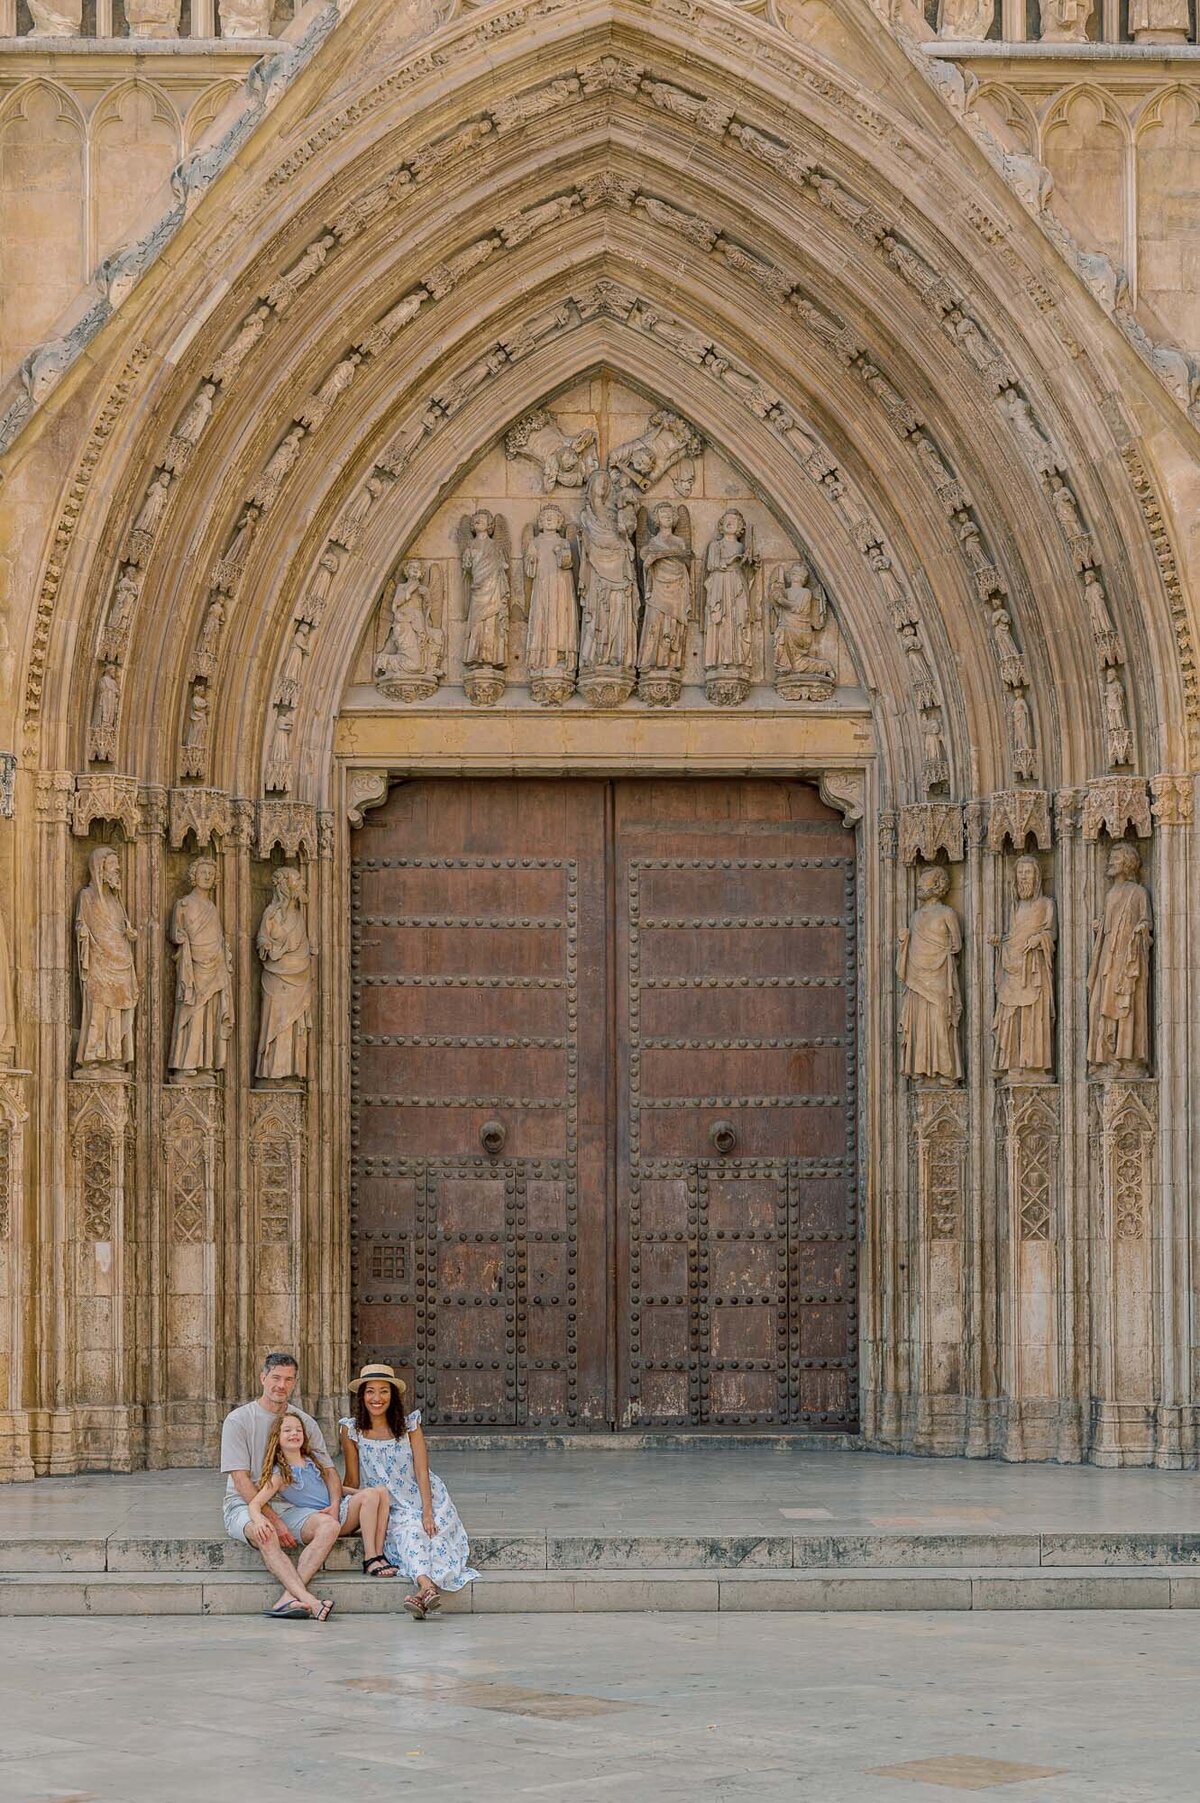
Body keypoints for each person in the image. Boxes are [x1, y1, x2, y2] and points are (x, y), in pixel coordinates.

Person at [220, 1352, 395, 1621]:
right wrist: (274, 1519)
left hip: (297, 1507)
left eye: (288, 1379)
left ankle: (289, 1598)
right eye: (276, 1377)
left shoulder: (302, 1422)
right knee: (264, 1532)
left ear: (294, 1382)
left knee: (330, 1526)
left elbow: (328, 1471)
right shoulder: (239, 1420)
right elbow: (241, 1480)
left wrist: (335, 1506)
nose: (281, 1385)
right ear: (263, 1378)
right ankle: (310, 1600)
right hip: (246, 1505)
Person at [340, 1362, 479, 1620]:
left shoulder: (410, 1427)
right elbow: (352, 1479)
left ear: (393, 1395)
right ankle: (426, 1588)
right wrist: (356, 1507)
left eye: (384, 1391)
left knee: (431, 1534)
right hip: (386, 1504)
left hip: (421, 1498)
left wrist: (427, 1510)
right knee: (408, 1532)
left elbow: (422, 1471)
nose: (377, 1398)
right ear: (362, 1396)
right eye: (370, 1391)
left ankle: (423, 1591)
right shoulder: (351, 1431)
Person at [246, 1411, 397, 1619]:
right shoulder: (280, 1474)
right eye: (287, 1430)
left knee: (379, 1491)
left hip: (336, 1511)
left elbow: (334, 1489)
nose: (294, 1433)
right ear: (277, 1438)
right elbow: (255, 1503)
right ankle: (370, 1558)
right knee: (371, 1495)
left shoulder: (311, 1461)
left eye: (298, 1430)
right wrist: (259, 1519)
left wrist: (359, 1494)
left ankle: (377, 1553)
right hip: (317, 1517)